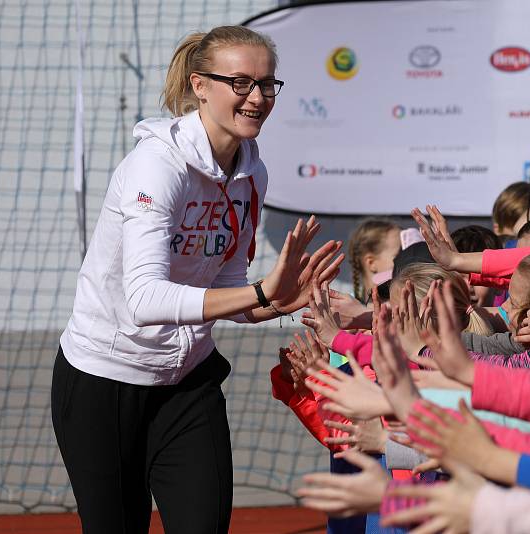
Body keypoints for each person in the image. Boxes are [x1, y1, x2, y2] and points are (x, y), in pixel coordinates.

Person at [50, 26, 343, 534]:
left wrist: (274, 303)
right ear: (200, 85)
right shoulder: (156, 167)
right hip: (104, 381)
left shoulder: (252, 173)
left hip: (187, 381)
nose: (256, 98)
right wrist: (258, 292)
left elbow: (226, 280)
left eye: (267, 84)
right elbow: (143, 299)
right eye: (241, 82)